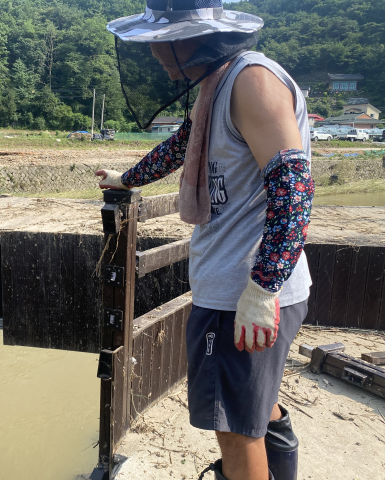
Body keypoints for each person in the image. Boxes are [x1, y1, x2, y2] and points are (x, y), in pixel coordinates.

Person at [98, 1, 314, 480]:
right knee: (254, 407)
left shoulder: (250, 82)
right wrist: (126, 178)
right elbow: (183, 144)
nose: (154, 51)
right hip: (238, 287)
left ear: (193, 36)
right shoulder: (215, 85)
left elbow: (294, 188)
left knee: (236, 428)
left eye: (161, 38)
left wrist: (262, 289)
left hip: (244, 293)